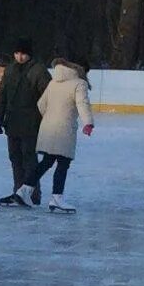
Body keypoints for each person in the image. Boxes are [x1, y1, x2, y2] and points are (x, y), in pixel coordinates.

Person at [23, 57, 95, 213]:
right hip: (64, 128)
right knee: (63, 162)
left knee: (47, 161)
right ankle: (57, 198)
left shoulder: (54, 81)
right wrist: (88, 122)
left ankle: (25, 190)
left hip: (48, 127)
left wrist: (50, 117)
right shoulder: (79, 84)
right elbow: (82, 103)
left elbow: (41, 105)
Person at [0, 39, 49, 207]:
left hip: (31, 123)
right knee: (15, 158)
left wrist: (44, 118)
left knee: (29, 158)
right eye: (17, 53)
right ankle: (18, 191)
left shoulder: (39, 71)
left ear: (29, 54)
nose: (19, 56)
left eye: (23, 53)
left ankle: (33, 193)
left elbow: (48, 96)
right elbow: (2, 93)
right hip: (12, 122)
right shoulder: (10, 69)